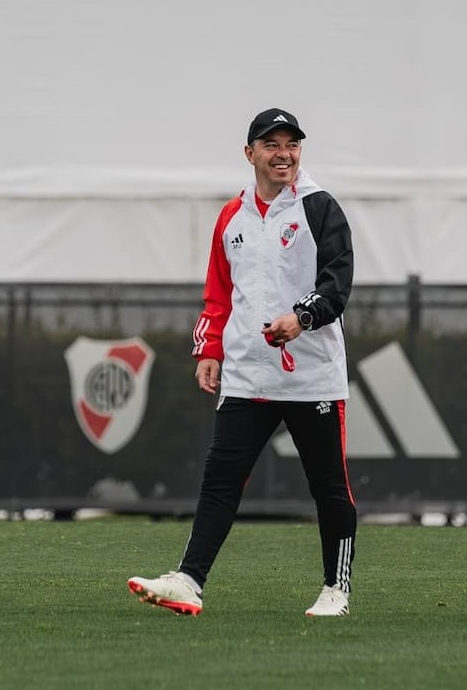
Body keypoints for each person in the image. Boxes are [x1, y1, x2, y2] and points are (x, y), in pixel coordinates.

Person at [128, 108, 356, 617]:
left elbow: (338, 284)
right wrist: (209, 351)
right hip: (246, 375)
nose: (284, 154)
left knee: (328, 487)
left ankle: (336, 590)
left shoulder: (319, 208)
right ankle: (188, 581)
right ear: (249, 153)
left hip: (311, 375)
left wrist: (301, 318)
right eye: (271, 145)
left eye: (291, 144)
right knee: (220, 482)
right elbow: (219, 293)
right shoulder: (232, 216)